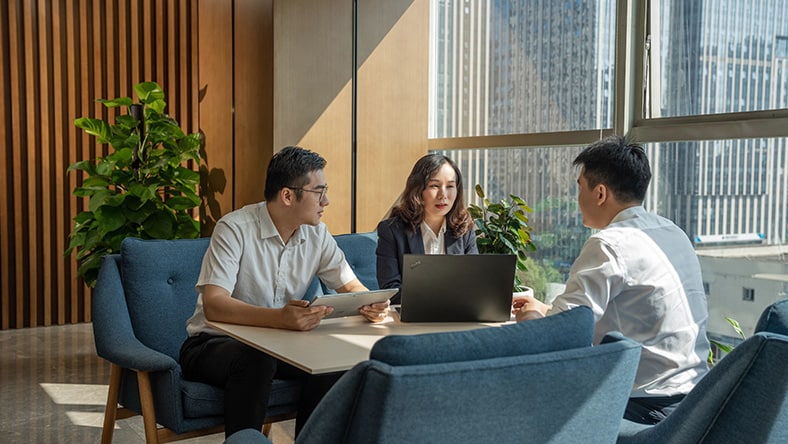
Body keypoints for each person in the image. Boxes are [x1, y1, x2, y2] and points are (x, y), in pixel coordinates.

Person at [179, 146, 390, 439]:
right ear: (288, 196)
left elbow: (350, 285)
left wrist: (369, 302)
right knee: (256, 359)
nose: (326, 201)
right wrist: (280, 319)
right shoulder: (234, 229)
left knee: (336, 358)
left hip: (281, 346)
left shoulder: (316, 234)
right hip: (212, 344)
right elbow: (214, 305)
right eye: (319, 192)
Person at [513, 135, 710, 425]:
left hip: (641, 410)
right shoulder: (671, 232)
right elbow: (621, 312)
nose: (577, 198)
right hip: (693, 405)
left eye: (579, 187)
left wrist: (529, 316)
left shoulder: (609, 244)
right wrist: (545, 309)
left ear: (600, 193)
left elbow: (559, 339)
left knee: (520, 394)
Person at [376, 153, 478, 304]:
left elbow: (475, 285)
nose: (443, 195)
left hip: (457, 315)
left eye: (450, 186)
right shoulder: (392, 231)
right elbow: (391, 291)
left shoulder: (465, 229)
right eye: (434, 186)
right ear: (417, 190)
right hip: (412, 319)